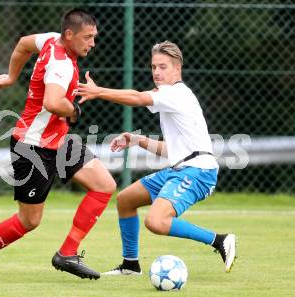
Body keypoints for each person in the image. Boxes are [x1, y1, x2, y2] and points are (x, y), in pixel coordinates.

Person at [0, 8, 116, 281]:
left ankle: (67, 253)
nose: (92, 43)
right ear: (69, 35)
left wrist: (11, 77)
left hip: (59, 139)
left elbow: (22, 44)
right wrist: (75, 111)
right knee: (29, 221)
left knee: (104, 186)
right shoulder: (61, 64)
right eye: (88, 37)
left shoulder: (51, 39)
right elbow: (53, 102)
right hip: (33, 146)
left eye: (94, 37)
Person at [77, 40, 236, 275]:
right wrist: (137, 140)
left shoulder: (175, 93)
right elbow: (173, 151)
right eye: (154, 67)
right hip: (182, 167)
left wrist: (98, 91)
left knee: (156, 221)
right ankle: (130, 265)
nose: (157, 73)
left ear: (177, 68)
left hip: (198, 172)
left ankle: (219, 240)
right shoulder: (171, 97)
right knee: (126, 200)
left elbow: (137, 98)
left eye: (163, 67)